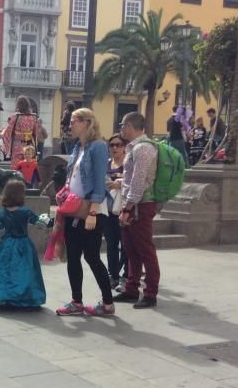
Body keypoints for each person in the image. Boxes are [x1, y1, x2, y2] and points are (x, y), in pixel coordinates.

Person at [54, 108, 115, 316]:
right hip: (73, 208)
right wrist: (64, 190)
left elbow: (99, 181)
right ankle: (76, 301)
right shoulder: (77, 147)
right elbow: (73, 177)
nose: (70, 124)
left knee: (91, 256)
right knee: (72, 256)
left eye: (74, 121)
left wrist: (93, 212)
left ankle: (107, 303)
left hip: (90, 210)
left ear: (87, 122)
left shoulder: (97, 147)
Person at [115, 111, 160, 308]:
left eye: (122, 125)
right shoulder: (135, 148)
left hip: (140, 205)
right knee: (131, 248)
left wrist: (128, 207)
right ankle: (131, 288)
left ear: (130, 126)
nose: (121, 129)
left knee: (144, 249)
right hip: (134, 204)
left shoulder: (142, 149)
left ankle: (150, 293)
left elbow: (138, 181)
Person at [0, 179, 47, 308]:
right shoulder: (25, 212)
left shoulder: (2, 212)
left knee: (4, 269)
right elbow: (40, 223)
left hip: (7, 244)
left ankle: (5, 295)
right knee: (25, 270)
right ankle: (23, 295)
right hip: (23, 244)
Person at [103, 134, 128, 288]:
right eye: (111, 145)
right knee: (111, 244)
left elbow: (137, 181)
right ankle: (113, 275)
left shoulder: (128, 163)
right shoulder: (106, 164)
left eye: (118, 145)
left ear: (124, 147)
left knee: (125, 245)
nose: (114, 148)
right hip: (107, 208)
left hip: (124, 208)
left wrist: (121, 183)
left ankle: (126, 274)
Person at [2, 96, 39, 165]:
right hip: (29, 146)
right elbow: (36, 133)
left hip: (17, 146)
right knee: (28, 166)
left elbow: (7, 133)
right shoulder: (33, 117)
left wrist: (5, 148)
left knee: (17, 167)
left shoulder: (15, 117)